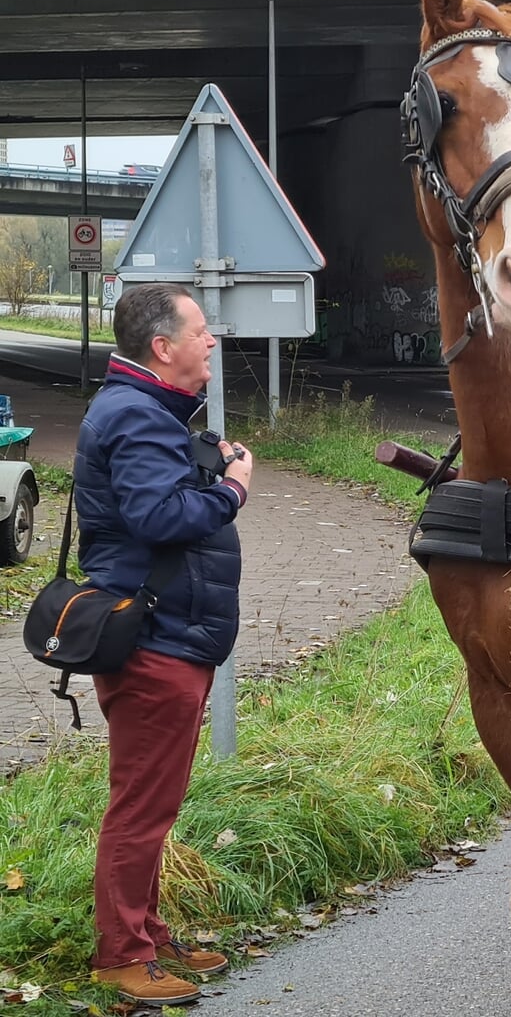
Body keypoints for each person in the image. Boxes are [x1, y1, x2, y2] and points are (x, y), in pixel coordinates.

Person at [78, 283, 252, 1004]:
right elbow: (158, 516)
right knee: (142, 806)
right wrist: (233, 488)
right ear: (162, 346)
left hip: (170, 633)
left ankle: (147, 934)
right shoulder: (136, 415)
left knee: (156, 802)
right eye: (200, 330)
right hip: (155, 639)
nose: (212, 341)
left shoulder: (146, 410)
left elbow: (153, 502)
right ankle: (122, 956)